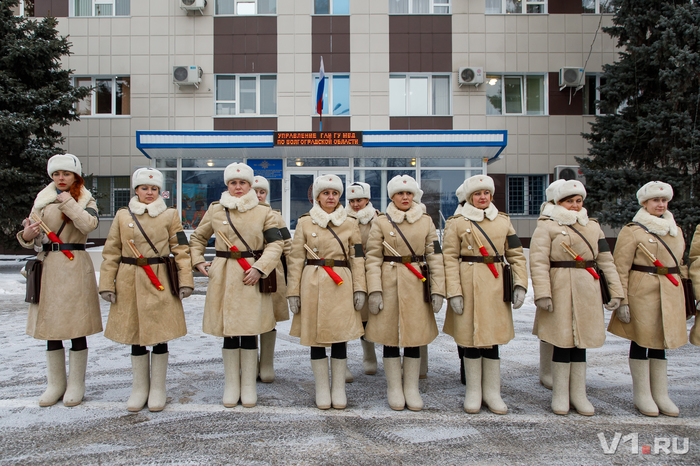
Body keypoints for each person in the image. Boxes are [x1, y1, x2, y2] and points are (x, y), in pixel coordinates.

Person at [99, 167, 194, 412]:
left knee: (159, 333)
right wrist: (106, 283)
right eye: (144, 188)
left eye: (154, 189)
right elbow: (111, 252)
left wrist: (185, 280)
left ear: (161, 191)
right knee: (136, 334)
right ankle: (139, 388)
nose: (149, 193)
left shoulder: (170, 215)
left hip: (159, 278)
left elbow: (181, 250)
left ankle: (158, 388)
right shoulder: (123, 216)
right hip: (129, 279)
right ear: (136, 190)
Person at [190, 163, 284, 408]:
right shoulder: (216, 210)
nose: (238, 187)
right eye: (233, 183)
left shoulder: (264, 212)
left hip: (252, 274)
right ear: (227, 185)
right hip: (223, 275)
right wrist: (199, 261)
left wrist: (260, 268)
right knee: (229, 330)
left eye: (242, 183)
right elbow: (198, 237)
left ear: (251, 185)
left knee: (251, 328)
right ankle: (232, 384)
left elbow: (276, 244)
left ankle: (249, 386)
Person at [530, 179, 623, 416]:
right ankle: (560, 394)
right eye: (569, 201)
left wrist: (616, 291)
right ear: (558, 202)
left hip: (587, 289)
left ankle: (579, 393)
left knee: (582, 341)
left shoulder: (593, 226)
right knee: (561, 340)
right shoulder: (547, 226)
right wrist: (542, 293)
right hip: (559, 287)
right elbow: (539, 262)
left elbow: (606, 260)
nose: (574, 205)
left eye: (578, 200)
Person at [17, 153, 102, 407]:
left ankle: (76, 384)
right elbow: (32, 236)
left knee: (77, 326)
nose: (60, 178)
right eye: (56, 174)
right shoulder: (42, 200)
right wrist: (27, 234)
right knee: (50, 327)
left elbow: (88, 225)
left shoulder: (86, 199)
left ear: (76, 176)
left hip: (74, 264)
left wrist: (68, 203)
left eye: (65, 173)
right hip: (49, 266)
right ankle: (55, 384)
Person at [442, 175, 528, 414]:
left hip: (495, 285)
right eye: (477, 194)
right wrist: (454, 292)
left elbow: (516, 254)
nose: (482, 198)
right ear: (470, 197)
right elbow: (448, 258)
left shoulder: (503, 222)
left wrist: (520, 284)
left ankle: (492, 392)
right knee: (469, 337)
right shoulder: (457, 222)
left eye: (486, 193)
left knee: (492, 338)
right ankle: (473, 391)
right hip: (467, 285)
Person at [364, 175, 445, 411]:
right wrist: (375, 291)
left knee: (414, 337)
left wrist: (438, 289)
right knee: (390, 337)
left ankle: (411, 387)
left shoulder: (427, 221)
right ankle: (394, 387)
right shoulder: (381, 222)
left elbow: (435, 256)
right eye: (400, 193)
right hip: (389, 283)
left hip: (417, 284)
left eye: (409, 193)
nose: (405, 197)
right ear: (392, 196)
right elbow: (372, 258)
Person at [286, 175, 367, 410]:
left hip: (342, 283)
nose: (330, 197)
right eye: (326, 193)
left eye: (335, 193)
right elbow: (295, 260)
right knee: (316, 338)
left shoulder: (351, 223)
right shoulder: (305, 222)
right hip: (312, 283)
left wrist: (360, 287)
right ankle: (322, 387)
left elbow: (358, 258)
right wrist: (293, 291)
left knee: (340, 335)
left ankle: (338, 388)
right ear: (317, 197)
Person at [608, 181, 688, 417]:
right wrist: (621, 299)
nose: (660, 205)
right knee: (642, 340)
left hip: (670, 292)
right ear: (644, 203)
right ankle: (642, 394)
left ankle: (661, 394)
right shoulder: (633, 230)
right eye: (655, 201)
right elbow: (620, 267)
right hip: (642, 293)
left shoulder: (675, 230)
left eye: (664, 201)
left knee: (662, 341)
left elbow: (680, 265)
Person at [252, 175, 291, 383]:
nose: (258, 195)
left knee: (269, 316)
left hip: (273, 273)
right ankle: (250, 363)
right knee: (249, 317)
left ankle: (266, 363)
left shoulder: (275, 216)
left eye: (262, 191)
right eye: (255, 190)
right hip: (247, 270)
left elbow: (288, 246)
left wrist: (294, 274)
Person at [345, 182, 379, 376]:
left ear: (367, 199)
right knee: (353, 314)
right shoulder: (342, 218)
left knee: (371, 314)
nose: (356, 204)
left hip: (372, 270)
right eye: (352, 200)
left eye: (359, 199)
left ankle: (370, 354)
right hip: (349, 271)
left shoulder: (377, 218)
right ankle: (362, 356)